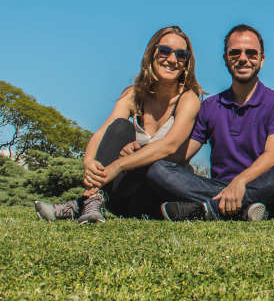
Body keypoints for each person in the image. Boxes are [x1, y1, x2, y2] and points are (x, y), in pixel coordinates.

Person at [34, 26, 203, 223]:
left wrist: (119, 164)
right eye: (165, 51)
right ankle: (93, 201)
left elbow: (170, 146)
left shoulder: (189, 98)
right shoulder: (133, 94)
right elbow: (104, 131)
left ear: (187, 63)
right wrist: (89, 161)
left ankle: (80, 205)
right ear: (152, 53)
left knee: (152, 164)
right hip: (125, 193)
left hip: (159, 194)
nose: (172, 60)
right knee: (121, 127)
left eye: (181, 55)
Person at [147, 24, 274, 221]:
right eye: (235, 53)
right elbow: (182, 153)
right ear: (225, 58)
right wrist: (144, 150)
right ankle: (238, 211)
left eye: (251, 53)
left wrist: (240, 182)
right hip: (221, 189)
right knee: (159, 170)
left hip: (263, 189)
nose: (243, 59)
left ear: (261, 60)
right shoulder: (210, 106)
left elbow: (272, 156)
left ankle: (211, 210)